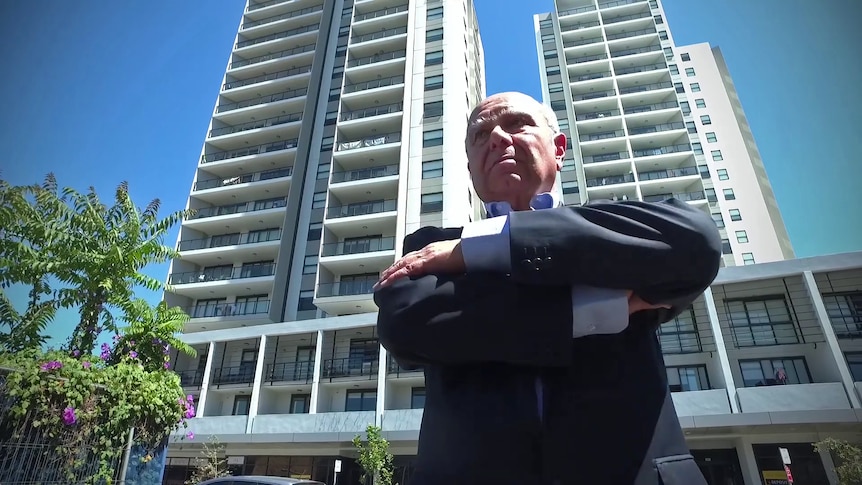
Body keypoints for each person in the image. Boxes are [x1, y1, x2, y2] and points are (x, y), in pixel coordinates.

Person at [372, 92, 721, 484]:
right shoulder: (428, 246)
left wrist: (477, 250)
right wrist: (597, 305)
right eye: (481, 133)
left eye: (517, 123)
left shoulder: (611, 226)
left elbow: (697, 244)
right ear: (471, 169)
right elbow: (406, 323)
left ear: (559, 148)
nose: (498, 138)